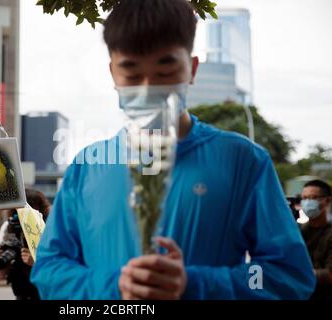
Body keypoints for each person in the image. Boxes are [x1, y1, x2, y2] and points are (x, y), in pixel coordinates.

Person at [31, 0, 315, 300]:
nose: (148, 87)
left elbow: (287, 275)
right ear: (113, 74)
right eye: (132, 72)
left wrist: (195, 283)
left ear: (191, 69)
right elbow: (50, 270)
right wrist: (115, 286)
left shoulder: (244, 161)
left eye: (165, 71)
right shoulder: (87, 167)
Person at [0, 188, 50, 300]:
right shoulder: (8, 227)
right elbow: (0, 274)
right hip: (20, 292)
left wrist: (36, 263)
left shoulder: (49, 228)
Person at [300, 180, 332, 300]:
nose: (307, 202)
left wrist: (298, 273)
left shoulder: (329, 233)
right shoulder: (298, 231)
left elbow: (330, 274)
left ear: (327, 201)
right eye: (304, 198)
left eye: (313, 198)